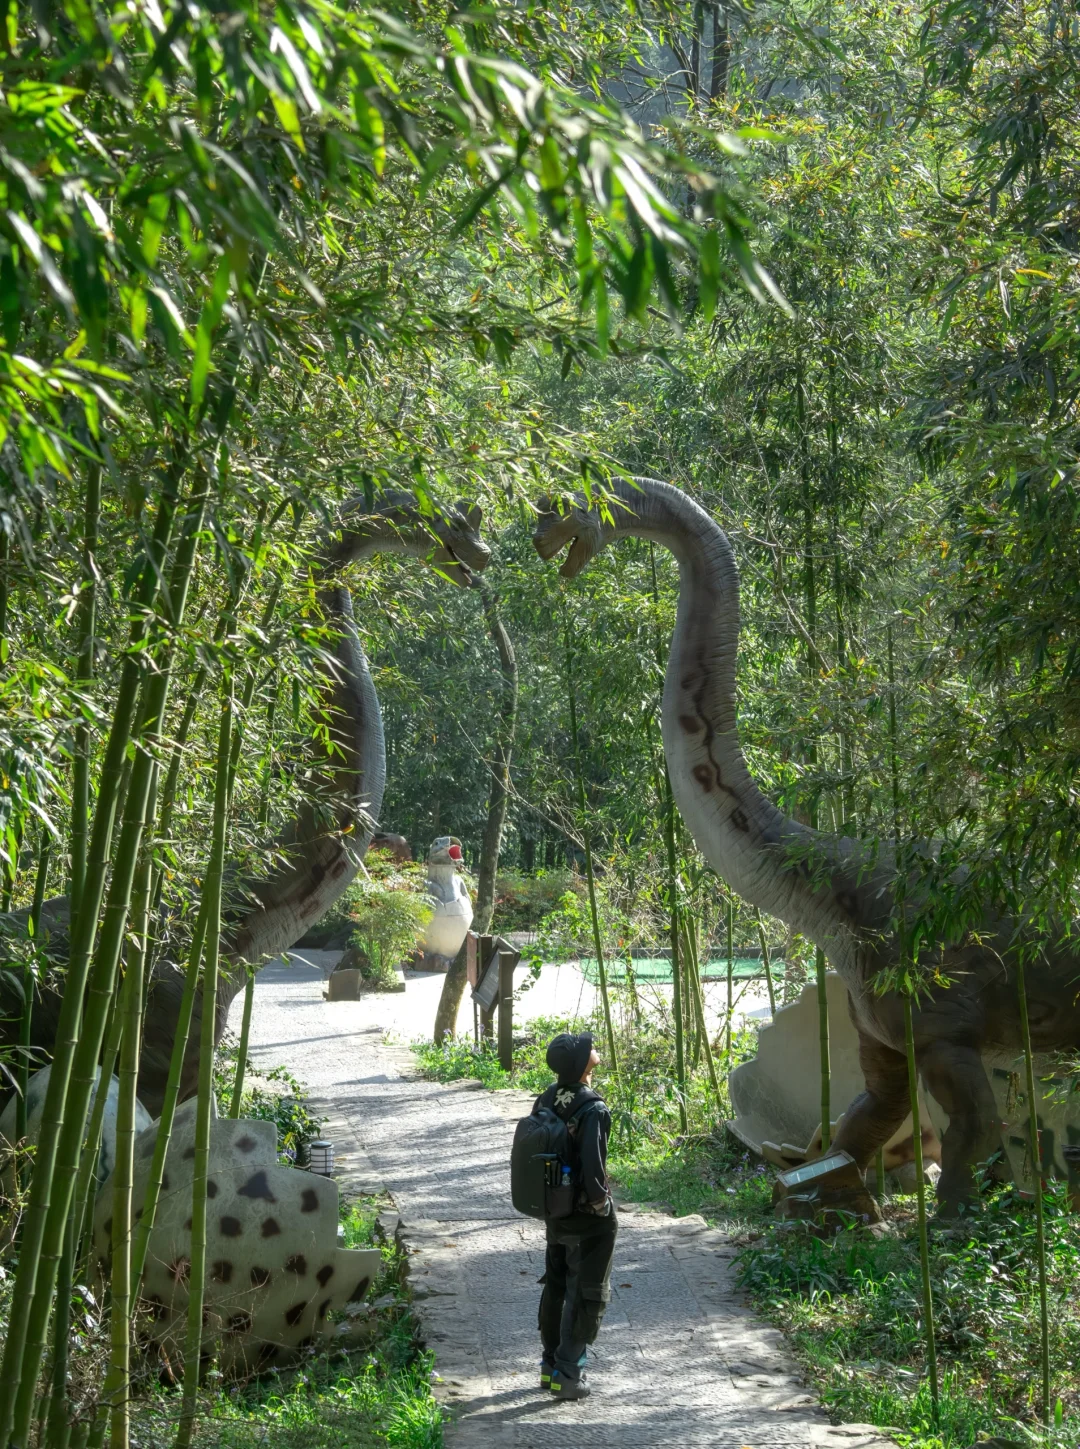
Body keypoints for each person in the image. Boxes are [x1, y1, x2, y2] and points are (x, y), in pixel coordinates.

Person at [534, 1030, 616, 1401]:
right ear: (583, 1065)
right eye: (591, 1051)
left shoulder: (546, 1099)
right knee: (585, 1292)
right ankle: (570, 1373)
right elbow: (593, 1167)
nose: (595, 1053)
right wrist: (602, 1207)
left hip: (555, 1212)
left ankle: (550, 1366)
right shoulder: (592, 1108)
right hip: (586, 1219)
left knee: (556, 1284)